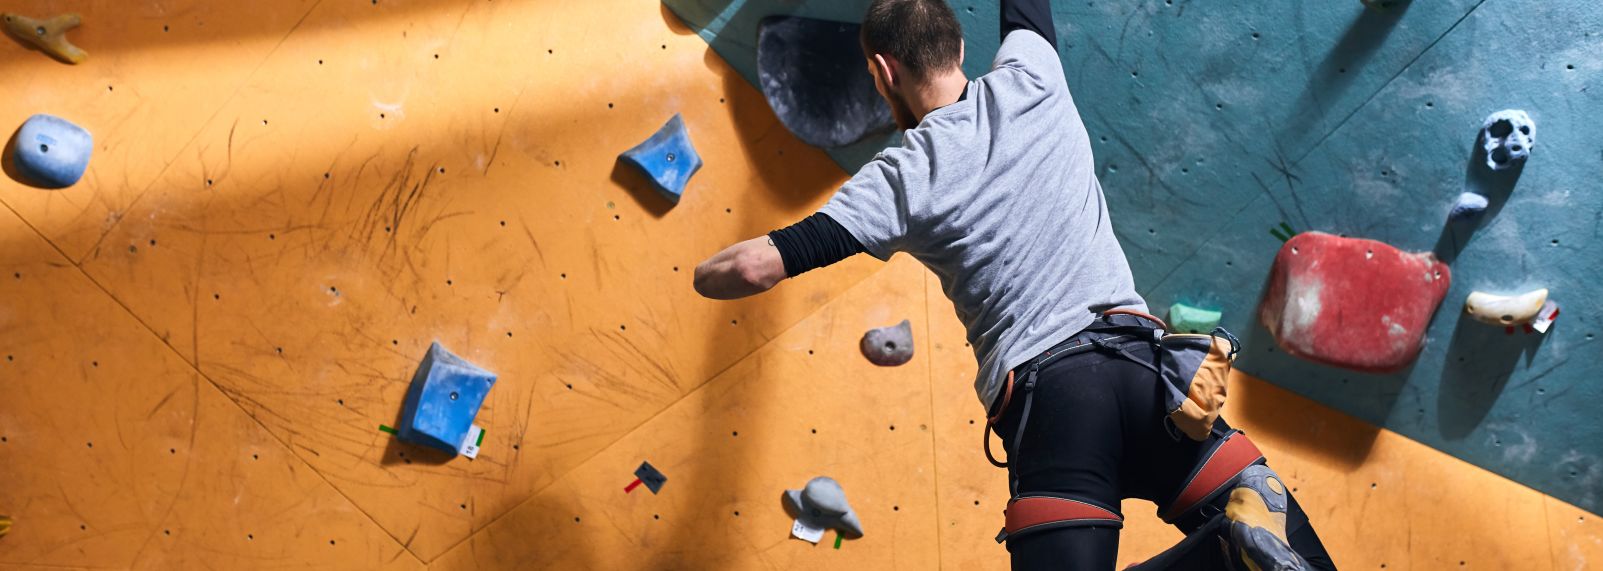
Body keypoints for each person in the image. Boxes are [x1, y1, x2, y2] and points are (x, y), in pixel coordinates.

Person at [692, 0, 1336, 569]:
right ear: (961, 48)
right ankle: (1235, 537)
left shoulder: (900, 178)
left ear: (883, 74)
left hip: (1057, 407)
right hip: (1156, 378)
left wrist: (700, 274)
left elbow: (754, 267)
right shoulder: (1033, 75)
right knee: (1296, 557)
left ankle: (1219, 554)